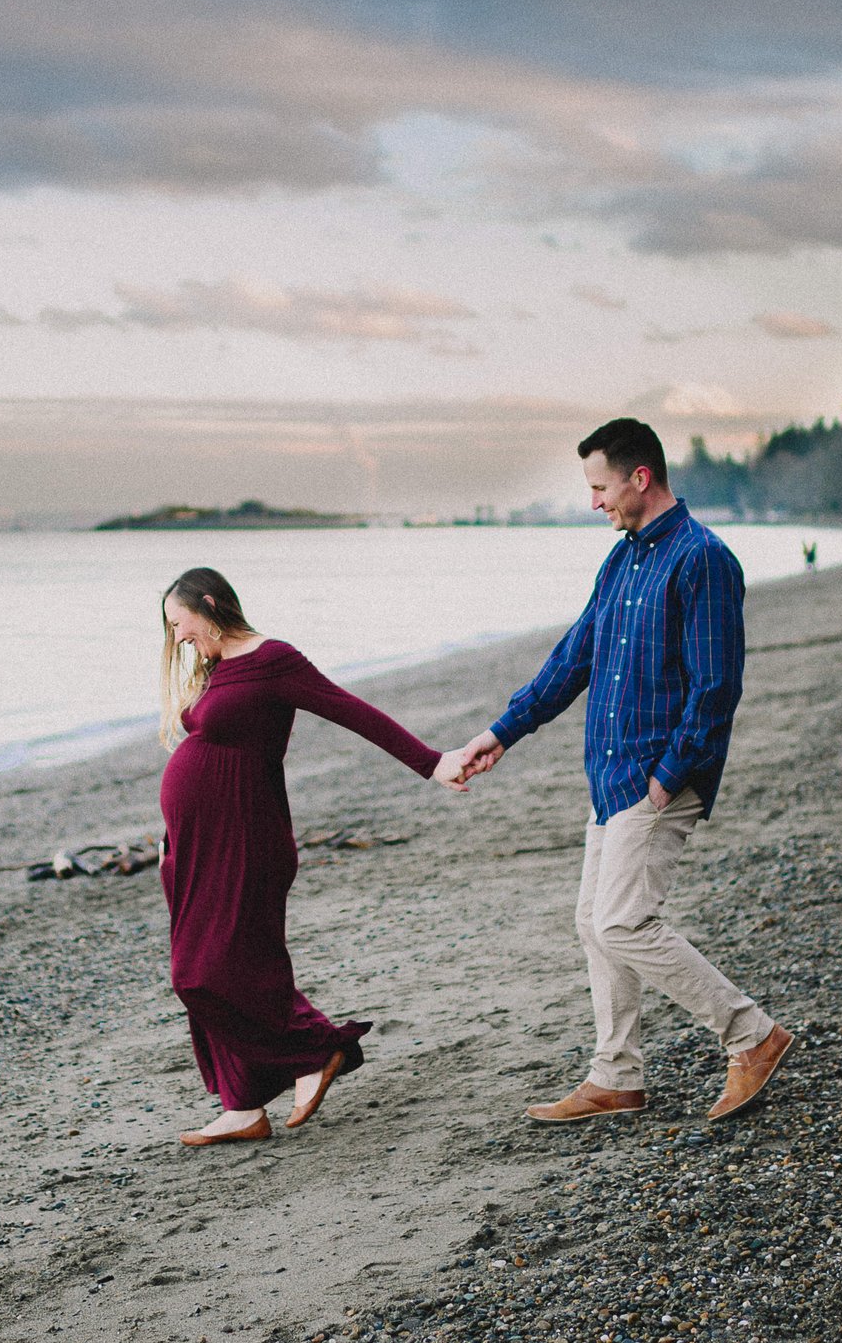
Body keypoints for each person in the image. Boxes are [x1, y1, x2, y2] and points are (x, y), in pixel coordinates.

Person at [451, 419, 792, 1123]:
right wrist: (500, 733)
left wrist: (670, 773)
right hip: (611, 779)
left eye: (600, 487)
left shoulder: (703, 559)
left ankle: (752, 1035)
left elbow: (715, 686)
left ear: (641, 477)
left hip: (657, 778)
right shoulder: (622, 561)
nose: (594, 502)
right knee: (593, 921)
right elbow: (573, 658)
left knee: (624, 921)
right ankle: (617, 1075)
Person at [156, 567, 468, 1145]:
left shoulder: (274, 660)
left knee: (200, 974)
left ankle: (317, 1051)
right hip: (197, 848)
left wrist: (430, 761)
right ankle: (243, 1107)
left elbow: (350, 710)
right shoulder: (218, 667)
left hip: (247, 843)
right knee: (233, 967)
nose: (178, 638)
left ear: (208, 603)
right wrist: (171, 839)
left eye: (180, 624)